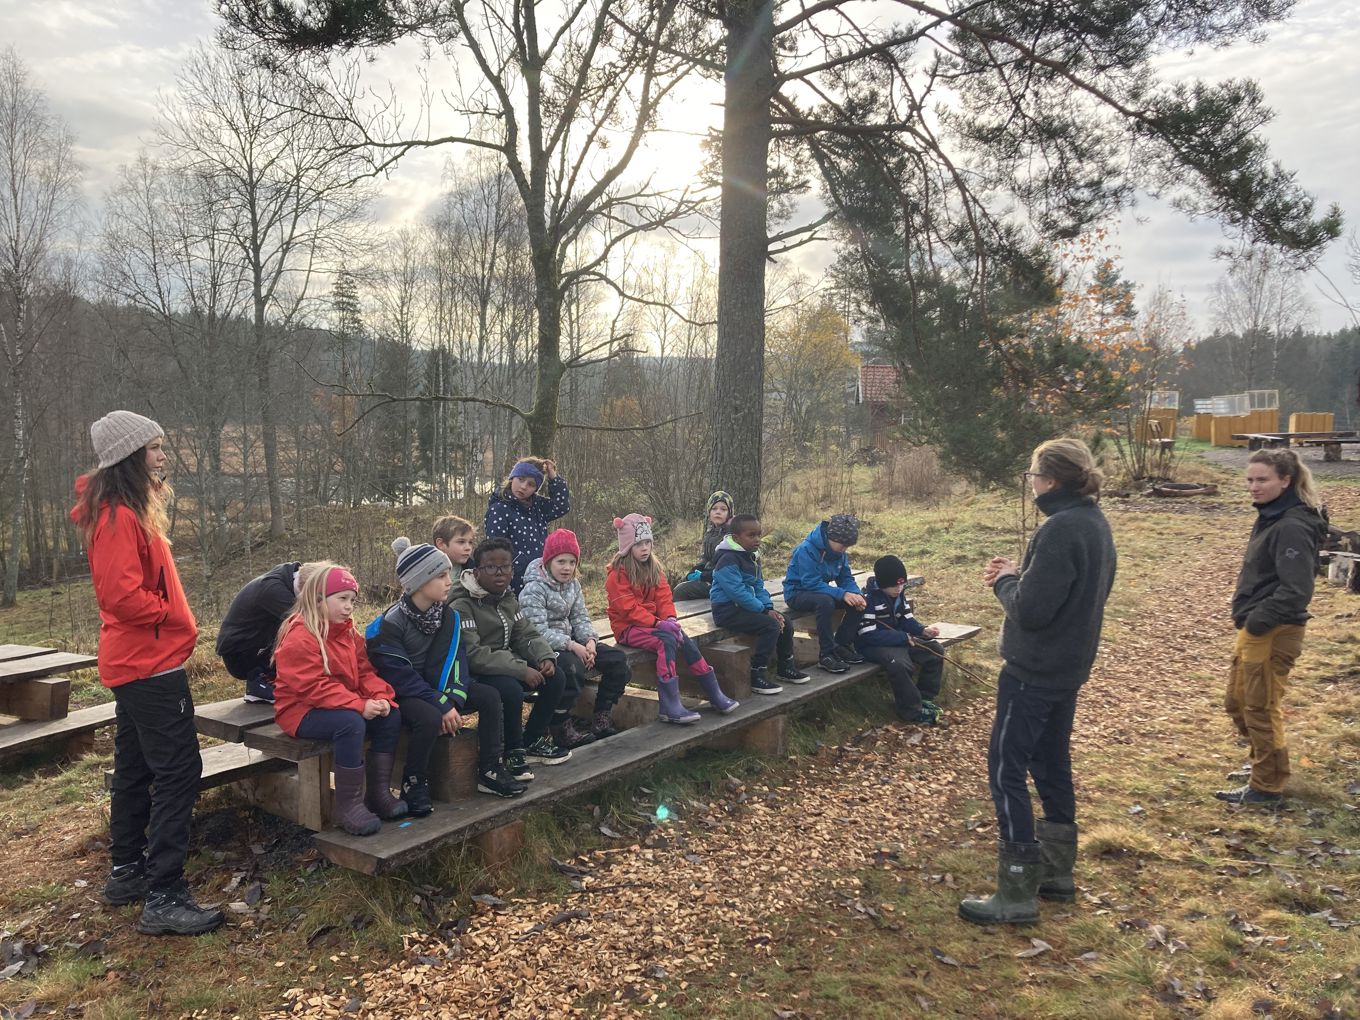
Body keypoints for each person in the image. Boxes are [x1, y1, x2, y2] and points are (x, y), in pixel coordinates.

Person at [71, 410, 224, 936]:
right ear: (131, 456)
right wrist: (171, 614)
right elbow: (120, 596)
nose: (162, 456)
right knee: (180, 770)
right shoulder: (117, 516)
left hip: (138, 662)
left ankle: (127, 873)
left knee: (135, 766)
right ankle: (165, 894)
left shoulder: (125, 510)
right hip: (148, 664)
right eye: (155, 448)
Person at [959, 438, 1116, 926]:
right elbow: (1066, 592)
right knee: (1051, 762)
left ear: (1049, 480)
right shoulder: (1093, 523)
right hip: (1067, 667)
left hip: (1033, 672)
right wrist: (1019, 572)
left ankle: (1017, 889)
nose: (1030, 483)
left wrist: (1006, 583)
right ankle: (1057, 873)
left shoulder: (1060, 529)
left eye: (1032, 475)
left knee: (1007, 768)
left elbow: (1031, 611)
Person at [367, 539, 528, 803]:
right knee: (429, 717)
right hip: (403, 692)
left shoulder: (447, 616)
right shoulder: (390, 625)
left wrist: (451, 699)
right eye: (441, 576)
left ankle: (489, 768)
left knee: (489, 696)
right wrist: (441, 704)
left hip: (438, 687)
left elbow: (457, 660)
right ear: (419, 582)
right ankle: (414, 781)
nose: (449, 581)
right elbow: (399, 676)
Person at [1217, 448, 1326, 806]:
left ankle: (1267, 787)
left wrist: (1258, 620)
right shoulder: (1272, 515)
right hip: (1255, 627)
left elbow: (1296, 591)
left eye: (1262, 479)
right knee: (1237, 702)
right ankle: (1262, 762)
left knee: (1259, 706)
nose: (1253, 486)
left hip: (1274, 629)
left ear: (1285, 480)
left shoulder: (1291, 524)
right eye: (1249, 479)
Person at [272, 564, 409, 836]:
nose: (349, 607)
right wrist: (359, 705)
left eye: (352, 600)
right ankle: (348, 805)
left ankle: (378, 793)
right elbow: (312, 687)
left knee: (390, 714)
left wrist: (379, 696)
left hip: (339, 703)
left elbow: (365, 672)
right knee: (350, 723)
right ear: (319, 599)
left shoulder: (347, 633)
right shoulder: (300, 635)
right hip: (300, 711)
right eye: (342, 599)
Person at [450, 537, 573, 772]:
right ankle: (512, 750)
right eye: (491, 567)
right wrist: (520, 669)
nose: (499, 573)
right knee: (510, 689)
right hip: (475, 672)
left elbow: (524, 633)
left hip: (505, 663)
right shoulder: (462, 604)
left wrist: (544, 656)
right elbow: (474, 654)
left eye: (505, 566)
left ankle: (532, 739)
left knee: (556, 676)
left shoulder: (507, 598)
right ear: (476, 572)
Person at [605, 513, 739, 723]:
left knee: (681, 637)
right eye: (639, 544)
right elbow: (628, 609)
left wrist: (670, 619)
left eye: (648, 542)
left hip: (656, 624)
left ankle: (714, 692)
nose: (645, 548)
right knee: (665, 641)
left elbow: (664, 596)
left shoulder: (654, 568)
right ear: (627, 546)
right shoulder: (617, 575)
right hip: (628, 628)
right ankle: (669, 704)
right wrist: (658, 623)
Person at [520, 528, 630, 741]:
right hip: (544, 647)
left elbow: (580, 617)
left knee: (618, 660)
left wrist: (589, 641)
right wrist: (571, 645)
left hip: (573, 641)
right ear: (548, 561)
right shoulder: (534, 588)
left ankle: (601, 715)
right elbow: (535, 631)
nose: (567, 568)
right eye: (561, 561)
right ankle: (560, 725)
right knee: (572, 668)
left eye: (572, 562)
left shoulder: (573, 585)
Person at [708, 514, 809, 695]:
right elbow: (737, 592)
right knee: (770, 625)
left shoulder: (752, 557)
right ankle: (757, 673)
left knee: (784, 621)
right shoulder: (727, 559)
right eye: (751, 535)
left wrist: (768, 608)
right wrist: (762, 610)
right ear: (736, 538)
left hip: (748, 607)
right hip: (727, 610)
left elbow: (758, 586)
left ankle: (785, 666)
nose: (757, 540)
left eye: (759, 534)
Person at [854, 555, 945, 725]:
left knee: (935, 651)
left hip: (900, 639)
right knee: (900, 664)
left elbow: (906, 619)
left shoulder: (899, 595)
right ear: (882, 584)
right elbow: (868, 634)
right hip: (873, 645)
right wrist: (903, 637)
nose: (898, 588)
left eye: (902, 584)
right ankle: (911, 711)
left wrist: (922, 630)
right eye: (894, 585)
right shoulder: (869, 599)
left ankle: (925, 697)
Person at [216, 562, 319, 704]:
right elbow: (310, 624)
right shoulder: (273, 590)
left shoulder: (291, 578)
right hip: (240, 655)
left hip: (262, 642)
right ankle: (259, 681)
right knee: (300, 629)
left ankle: (277, 676)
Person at [782, 513, 868, 673]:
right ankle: (826, 654)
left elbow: (846, 578)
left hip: (820, 592)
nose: (844, 549)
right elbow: (810, 582)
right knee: (825, 602)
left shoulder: (840, 553)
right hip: (797, 593)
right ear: (830, 537)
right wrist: (842, 594)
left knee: (859, 601)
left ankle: (842, 644)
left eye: (847, 546)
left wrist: (854, 594)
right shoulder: (806, 549)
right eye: (842, 545)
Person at [482, 457, 570, 592]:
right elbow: (494, 550)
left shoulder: (538, 507)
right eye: (521, 479)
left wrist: (553, 476)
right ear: (513, 477)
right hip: (513, 581)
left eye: (531, 484)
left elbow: (561, 506)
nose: (523, 487)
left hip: (540, 578)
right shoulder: (499, 509)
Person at [671, 490, 734, 601]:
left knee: (681, 591)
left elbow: (726, 569)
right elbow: (706, 557)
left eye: (723, 509)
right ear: (709, 512)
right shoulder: (710, 532)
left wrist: (703, 576)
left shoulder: (731, 536)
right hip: (710, 577)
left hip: (723, 583)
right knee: (682, 583)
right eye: (714, 509)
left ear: (729, 513)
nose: (718, 512)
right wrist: (695, 569)